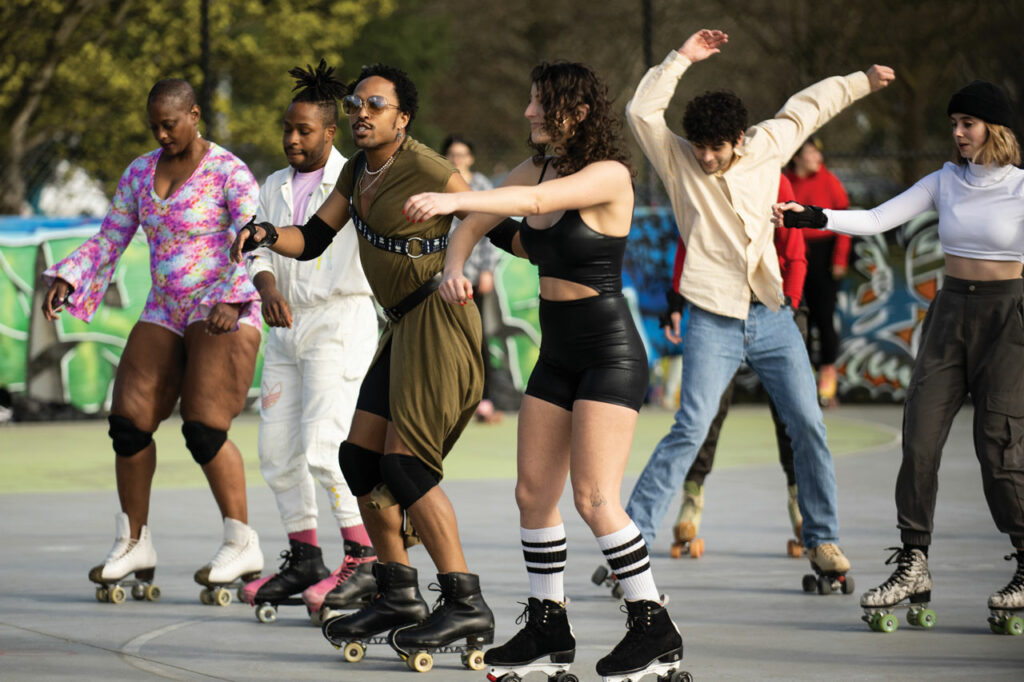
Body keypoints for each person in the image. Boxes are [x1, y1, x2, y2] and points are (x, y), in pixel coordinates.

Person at [404, 60, 684, 682]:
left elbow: (526, 204)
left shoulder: (609, 174)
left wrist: (454, 195)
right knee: (533, 494)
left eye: (540, 103)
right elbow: (482, 220)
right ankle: (548, 621)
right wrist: (454, 264)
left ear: (576, 113)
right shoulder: (539, 166)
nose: (529, 113)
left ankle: (651, 622)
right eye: (530, 101)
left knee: (593, 497)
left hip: (609, 352)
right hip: (556, 354)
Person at [229, 63, 494, 667]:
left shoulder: (425, 167)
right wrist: (269, 233)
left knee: (404, 464)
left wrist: (458, 262)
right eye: (355, 104)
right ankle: (399, 592)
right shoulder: (355, 169)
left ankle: (464, 600)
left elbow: (487, 212)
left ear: (403, 117)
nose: (361, 114)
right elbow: (315, 238)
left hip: (440, 321)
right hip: (401, 322)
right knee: (357, 457)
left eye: (375, 104)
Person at [623, 28, 895, 586]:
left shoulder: (769, 144)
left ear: (739, 140)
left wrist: (862, 82)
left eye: (715, 149)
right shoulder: (679, 162)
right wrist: (682, 59)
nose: (704, 158)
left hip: (771, 316)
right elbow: (640, 111)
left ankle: (821, 539)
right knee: (690, 425)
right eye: (698, 147)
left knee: (808, 424)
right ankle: (634, 539)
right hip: (712, 320)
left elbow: (809, 108)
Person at [774, 80, 1024, 632]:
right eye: (954, 123)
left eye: (968, 124)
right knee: (919, 439)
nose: (957, 134)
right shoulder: (945, 181)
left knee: (998, 450)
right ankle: (914, 562)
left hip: (1009, 322)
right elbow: (875, 218)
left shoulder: (1021, 190)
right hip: (950, 315)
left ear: (995, 129)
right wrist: (811, 217)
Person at [42, 78, 264, 601]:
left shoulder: (229, 171)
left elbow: (256, 235)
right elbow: (111, 237)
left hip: (221, 305)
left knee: (204, 427)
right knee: (128, 422)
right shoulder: (140, 171)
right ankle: (134, 541)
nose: (163, 134)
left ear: (195, 114)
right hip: (166, 304)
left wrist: (236, 298)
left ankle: (242, 540)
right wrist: (70, 275)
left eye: (172, 123)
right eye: (155, 126)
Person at [240, 60, 378, 622]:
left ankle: (364, 560)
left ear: (329, 132)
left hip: (338, 323)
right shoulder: (273, 185)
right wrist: (266, 285)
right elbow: (256, 245)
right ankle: (305, 558)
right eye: (287, 129)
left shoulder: (352, 180)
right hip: (285, 329)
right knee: (277, 452)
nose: (292, 139)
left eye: (304, 130)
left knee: (327, 446)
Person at [662, 174, 808, 559]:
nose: (708, 160)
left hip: (776, 306)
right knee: (705, 410)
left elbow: (794, 250)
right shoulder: (703, 184)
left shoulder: (775, 182)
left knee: (792, 413)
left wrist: (790, 305)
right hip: (717, 307)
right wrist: (675, 303)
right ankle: (692, 497)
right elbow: (686, 244)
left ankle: (800, 500)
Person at [783, 137, 851, 406]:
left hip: (824, 254)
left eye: (817, 153)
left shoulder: (829, 181)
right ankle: (804, 384)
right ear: (796, 157)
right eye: (810, 152)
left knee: (824, 319)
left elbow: (844, 220)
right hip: (795, 254)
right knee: (800, 319)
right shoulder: (785, 181)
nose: (816, 157)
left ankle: (828, 386)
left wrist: (840, 259)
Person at [441, 134, 503, 424]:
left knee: (478, 337)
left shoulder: (481, 186)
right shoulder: (437, 185)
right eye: (453, 154)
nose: (458, 159)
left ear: (471, 158)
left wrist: (489, 269)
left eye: (462, 154)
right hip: (444, 278)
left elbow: (492, 231)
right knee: (445, 338)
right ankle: (449, 402)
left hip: (476, 276)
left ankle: (484, 401)